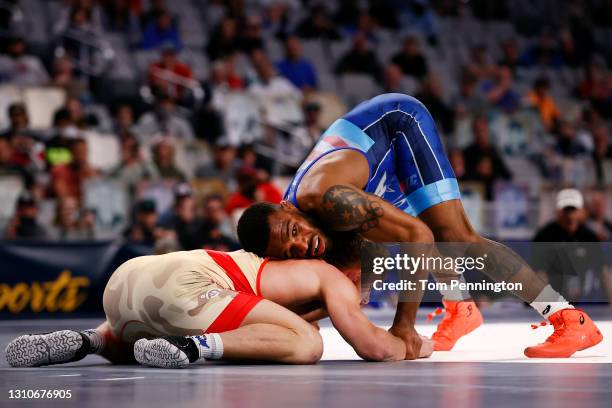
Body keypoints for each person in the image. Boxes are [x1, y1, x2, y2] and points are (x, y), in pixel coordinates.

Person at [237, 93, 603, 358]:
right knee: (381, 256)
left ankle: (570, 319)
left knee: (453, 236)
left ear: (288, 207)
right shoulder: (297, 224)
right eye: (290, 251)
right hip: (367, 170)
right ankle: (461, 309)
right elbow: (362, 268)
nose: (301, 246)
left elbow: (417, 236)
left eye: (295, 233)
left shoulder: (332, 202)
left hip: (398, 127)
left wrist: (404, 325)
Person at [5, 250, 427, 368]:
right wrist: (413, 342)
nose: (366, 291)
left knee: (129, 342)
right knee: (307, 344)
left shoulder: (276, 264)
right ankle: (193, 348)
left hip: (129, 282)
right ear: (352, 271)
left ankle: (88, 340)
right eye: (366, 280)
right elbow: (375, 348)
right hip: (188, 291)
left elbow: (266, 322)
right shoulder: (329, 274)